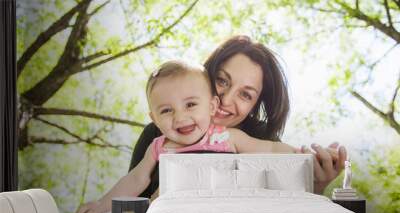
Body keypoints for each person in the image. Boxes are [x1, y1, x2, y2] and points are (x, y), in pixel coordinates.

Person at [127, 35, 347, 201]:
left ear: (255, 105)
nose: (225, 100)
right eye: (222, 81)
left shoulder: (262, 141)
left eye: (245, 94)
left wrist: (316, 184)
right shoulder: (157, 135)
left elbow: (287, 208)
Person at [76, 60, 296, 213]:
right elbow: (135, 180)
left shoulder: (224, 137)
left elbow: (269, 149)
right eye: (166, 111)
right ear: (154, 119)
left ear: (211, 106)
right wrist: (102, 204)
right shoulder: (158, 146)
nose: (180, 117)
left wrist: (302, 154)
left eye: (190, 105)